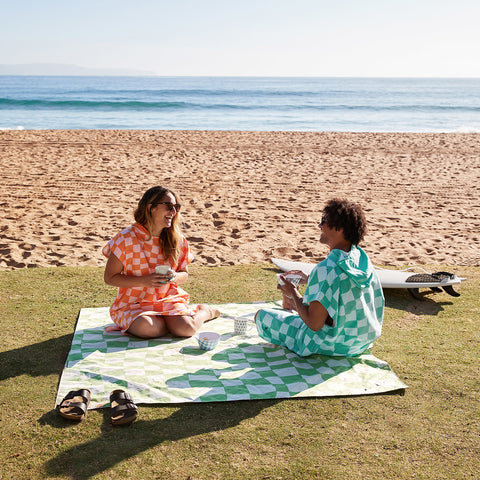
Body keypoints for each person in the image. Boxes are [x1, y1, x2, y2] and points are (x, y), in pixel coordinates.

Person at [255, 198, 384, 357]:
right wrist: (310, 279)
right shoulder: (361, 259)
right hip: (359, 342)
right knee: (306, 308)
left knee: (261, 316)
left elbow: (314, 324)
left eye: (324, 221)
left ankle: (291, 305)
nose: (320, 226)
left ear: (339, 229)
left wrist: (293, 291)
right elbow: (342, 284)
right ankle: (292, 307)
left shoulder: (326, 269)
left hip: (332, 344)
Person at [103, 186, 219, 339]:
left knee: (187, 330)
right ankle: (168, 322)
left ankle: (205, 312)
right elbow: (110, 278)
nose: (174, 212)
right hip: (133, 304)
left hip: (167, 299)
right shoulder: (126, 239)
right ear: (151, 208)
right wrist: (143, 281)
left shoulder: (177, 239)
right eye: (169, 206)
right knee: (147, 328)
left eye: (176, 207)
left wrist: (174, 277)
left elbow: (184, 274)